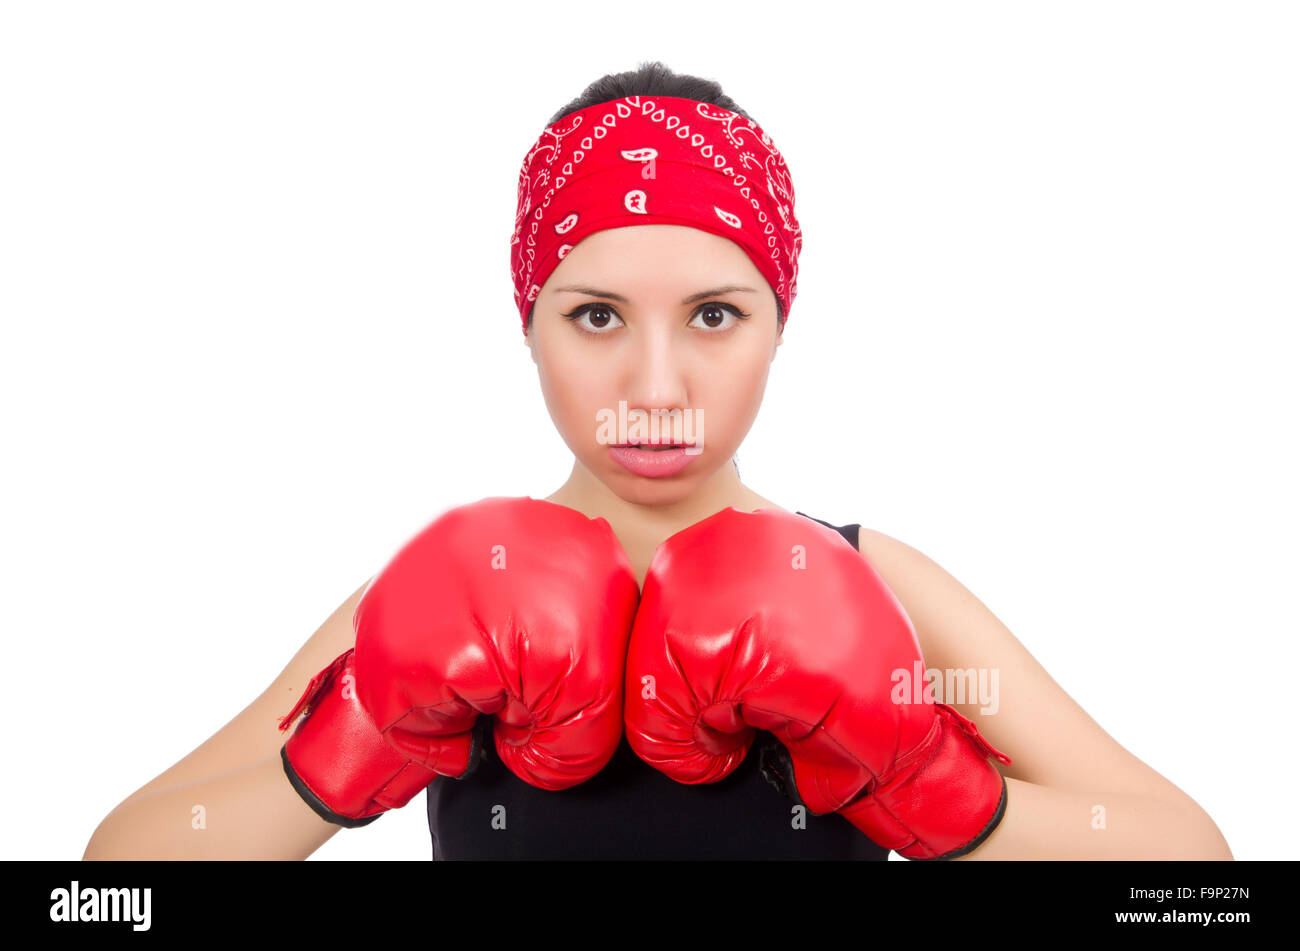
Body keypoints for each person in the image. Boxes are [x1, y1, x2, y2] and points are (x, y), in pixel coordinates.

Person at [82, 61, 1233, 861]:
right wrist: (350, 747)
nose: (653, 386)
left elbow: (1194, 880)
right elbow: (109, 885)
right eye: (594, 317)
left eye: (715, 316)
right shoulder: (438, 589)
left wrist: (937, 783)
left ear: (781, 321)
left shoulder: (876, 583)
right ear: (525, 322)